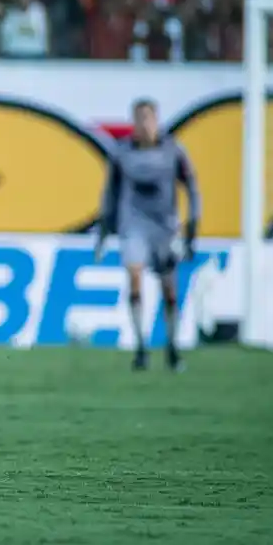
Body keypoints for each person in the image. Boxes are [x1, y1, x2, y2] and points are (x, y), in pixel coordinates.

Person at [95, 99, 200, 372]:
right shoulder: (122, 153)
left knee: (169, 289)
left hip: (165, 226)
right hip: (133, 224)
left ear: (156, 120)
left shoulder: (173, 150)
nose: (143, 124)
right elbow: (110, 193)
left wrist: (192, 228)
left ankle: (172, 347)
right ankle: (141, 346)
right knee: (135, 277)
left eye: (148, 118)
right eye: (139, 118)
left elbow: (191, 187)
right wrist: (104, 233)